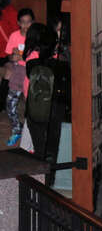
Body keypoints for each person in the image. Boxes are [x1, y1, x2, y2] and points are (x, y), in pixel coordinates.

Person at [24, 23, 70, 164]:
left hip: (34, 108)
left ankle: (38, 179)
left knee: (39, 149)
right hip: (55, 110)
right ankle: (49, 180)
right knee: (51, 150)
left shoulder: (30, 63)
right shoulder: (60, 65)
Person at [4, 8, 34, 146]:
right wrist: (13, 57)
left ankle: (32, 135)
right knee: (10, 103)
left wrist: (22, 57)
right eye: (23, 22)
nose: (26, 26)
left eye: (28, 22)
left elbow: (38, 57)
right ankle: (17, 129)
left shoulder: (36, 37)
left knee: (31, 106)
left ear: (32, 22)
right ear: (18, 23)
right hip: (18, 71)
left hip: (31, 73)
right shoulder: (14, 36)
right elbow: (9, 55)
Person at [0, 0, 18, 111]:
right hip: (6, 55)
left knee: (9, 71)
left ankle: (2, 102)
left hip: (7, 55)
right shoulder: (11, 12)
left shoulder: (10, 12)